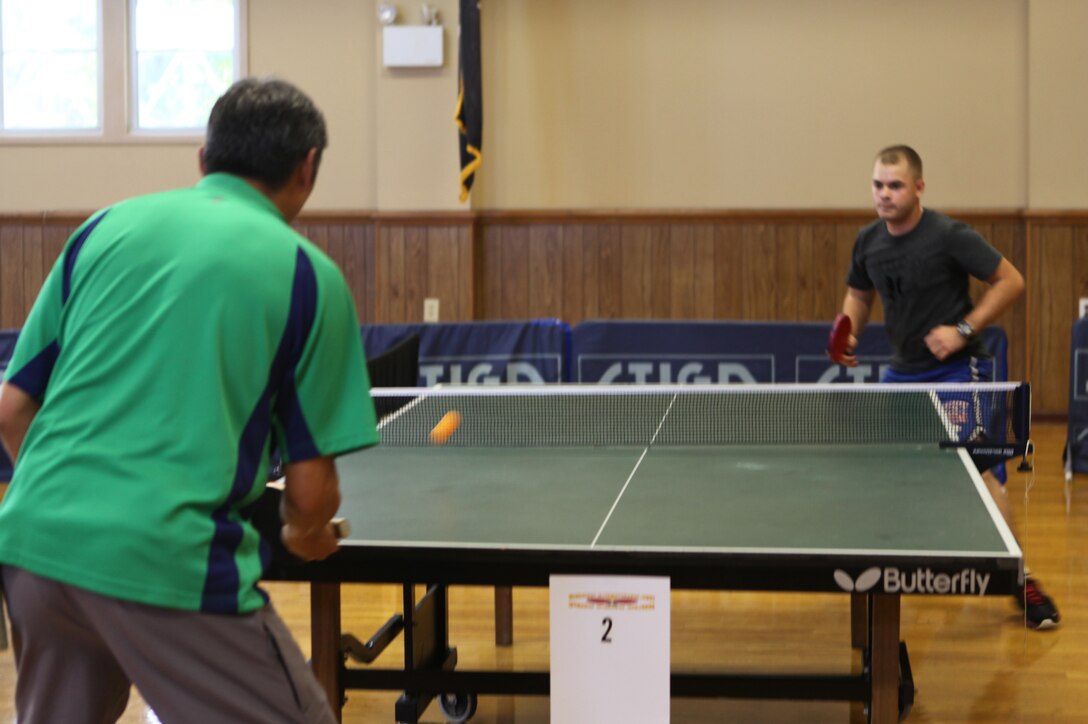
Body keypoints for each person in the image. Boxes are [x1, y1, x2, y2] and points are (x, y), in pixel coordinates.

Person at [0, 77, 379, 722]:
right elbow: (311, 495)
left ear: (203, 160)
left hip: (34, 543)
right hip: (169, 558)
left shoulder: (103, 230)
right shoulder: (308, 275)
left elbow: (10, 409)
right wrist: (303, 532)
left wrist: (71, 502)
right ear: (307, 168)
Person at [834, 144, 1060, 630]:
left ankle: (1021, 580)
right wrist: (849, 329)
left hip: (960, 372)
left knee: (981, 478)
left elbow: (1011, 281)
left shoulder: (949, 235)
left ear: (918, 187)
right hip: (903, 377)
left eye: (895, 185)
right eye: (878, 185)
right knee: (892, 480)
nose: (885, 194)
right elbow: (859, 295)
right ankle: (899, 575)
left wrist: (963, 329)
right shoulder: (868, 241)